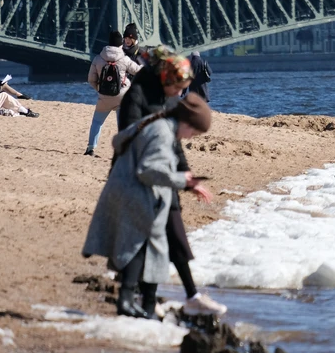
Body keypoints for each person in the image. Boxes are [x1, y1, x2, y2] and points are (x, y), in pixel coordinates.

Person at [82, 94, 213, 318]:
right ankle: (134, 303)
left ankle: (138, 304)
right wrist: (184, 181)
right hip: (133, 192)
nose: (191, 137)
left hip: (127, 189)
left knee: (142, 247)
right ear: (186, 123)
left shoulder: (161, 125)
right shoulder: (163, 133)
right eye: (194, 132)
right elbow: (149, 170)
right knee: (141, 246)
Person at [119, 51, 227, 316]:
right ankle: (139, 299)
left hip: (166, 176)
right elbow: (129, 137)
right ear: (166, 78)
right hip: (140, 176)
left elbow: (176, 142)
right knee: (147, 241)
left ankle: (181, 296)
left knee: (173, 234)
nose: (180, 93)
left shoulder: (167, 96)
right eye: (178, 87)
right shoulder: (137, 95)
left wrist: (188, 178)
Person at [85, 31, 142, 156]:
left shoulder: (98, 58)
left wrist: (100, 89)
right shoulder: (124, 59)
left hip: (104, 96)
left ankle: (90, 148)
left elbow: (91, 79)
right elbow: (138, 71)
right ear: (120, 44)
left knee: (97, 122)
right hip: (122, 95)